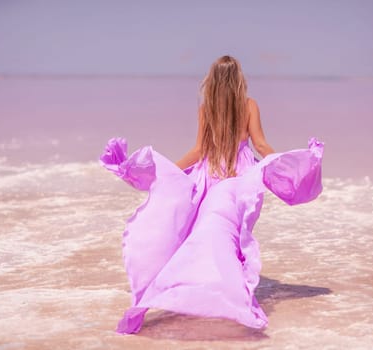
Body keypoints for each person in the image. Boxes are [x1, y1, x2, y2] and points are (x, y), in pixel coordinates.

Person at [99, 55, 324, 335]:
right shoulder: (249, 106)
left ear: (213, 80)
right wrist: (289, 163)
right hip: (240, 179)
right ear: (238, 79)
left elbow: (198, 151)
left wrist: (169, 172)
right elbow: (261, 145)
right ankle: (232, 299)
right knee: (227, 239)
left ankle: (214, 296)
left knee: (203, 237)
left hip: (213, 176)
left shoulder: (207, 109)